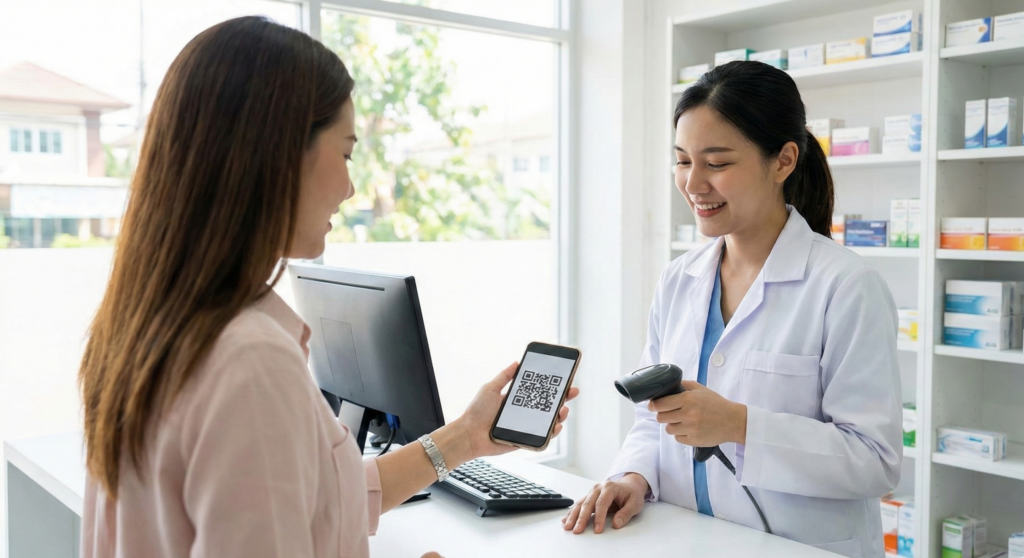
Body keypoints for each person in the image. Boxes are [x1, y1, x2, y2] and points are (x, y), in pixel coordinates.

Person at [78, 17, 577, 558]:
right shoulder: (249, 362)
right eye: (344, 153)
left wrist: (466, 436)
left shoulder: (146, 325)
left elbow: (322, 499)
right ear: (276, 154)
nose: (349, 186)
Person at [561, 61, 902, 558]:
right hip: (683, 538)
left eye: (717, 163)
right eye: (682, 161)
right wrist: (633, 476)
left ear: (783, 160)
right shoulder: (680, 278)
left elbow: (876, 461)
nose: (694, 183)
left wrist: (740, 425)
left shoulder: (847, 286)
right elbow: (652, 420)